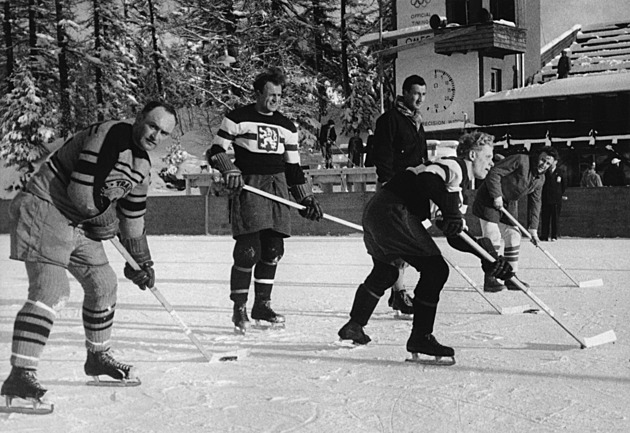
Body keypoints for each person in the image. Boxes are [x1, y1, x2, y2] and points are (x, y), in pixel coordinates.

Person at [1, 101, 178, 410]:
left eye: (163, 132)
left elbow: (132, 219)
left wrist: (140, 261)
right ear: (138, 119)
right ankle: (20, 376)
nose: (155, 135)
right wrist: (104, 220)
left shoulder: (142, 166)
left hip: (78, 221)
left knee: (103, 283)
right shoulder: (110, 134)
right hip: (46, 206)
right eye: (152, 125)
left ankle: (98, 357)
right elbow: (81, 193)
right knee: (52, 290)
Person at [337, 132, 513, 362]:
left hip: (377, 211)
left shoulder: (457, 189)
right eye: (488, 156)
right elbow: (428, 180)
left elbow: (455, 234)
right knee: (436, 269)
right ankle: (421, 336)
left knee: (387, 270)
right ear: (472, 155)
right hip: (393, 210)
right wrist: (451, 213)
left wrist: (487, 256)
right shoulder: (455, 166)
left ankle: (354, 325)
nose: (492, 162)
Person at [206, 67, 323, 335]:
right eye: (271, 95)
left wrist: (305, 197)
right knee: (249, 251)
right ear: (258, 93)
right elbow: (215, 151)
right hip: (250, 186)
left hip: (278, 187)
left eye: (279, 96)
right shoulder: (237, 118)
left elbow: (293, 167)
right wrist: (230, 169)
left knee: (273, 251)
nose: (275, 100)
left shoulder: (286, 126)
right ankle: (239, 308)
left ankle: (262, 305)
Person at [371, 74, 429, 317]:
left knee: (408, 238)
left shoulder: (417, 121)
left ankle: (398, 292)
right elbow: (382, 154)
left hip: (413, 188)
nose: (420, 99)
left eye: (423, 94)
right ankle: (399, 292)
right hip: (393, 189)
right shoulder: (390, 120)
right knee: (396, 240)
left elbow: (421, 156)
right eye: (416, 93)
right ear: (405, 92)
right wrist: (387, 184)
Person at [472, 146, 559, 292]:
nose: (543, 164)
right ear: (538, 156)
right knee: (492, 235)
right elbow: (494, 172)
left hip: (509, 203)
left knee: (514, 235)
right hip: (489, 197)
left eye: (548, 163)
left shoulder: (540, 179)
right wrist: (496, 195)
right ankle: (490, 278)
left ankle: (510, 277)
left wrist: (533, 230)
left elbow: (535, 203)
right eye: (542, 160)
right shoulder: (521, 160)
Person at [540, 160, 567, 242]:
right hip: (546, 198)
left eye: (552, 162)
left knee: (555, 218)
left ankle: (554, 236)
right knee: (545, 217)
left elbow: (564, 185)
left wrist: (559, 194)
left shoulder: (560, 172)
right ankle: (544, 235)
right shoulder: (545, 172)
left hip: (556, 199)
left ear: (556, 162)